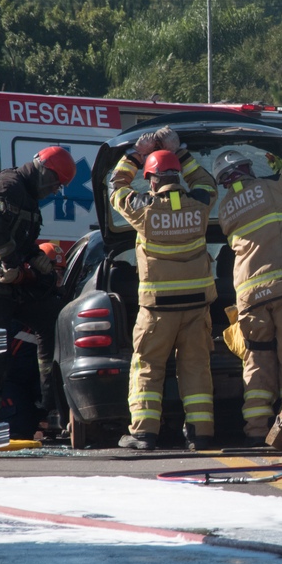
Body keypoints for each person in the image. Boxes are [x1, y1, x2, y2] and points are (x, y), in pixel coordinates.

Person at [109, 132, 218, 451]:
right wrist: (181, 152)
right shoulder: (199, 203)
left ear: (151, 181)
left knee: (147, 366)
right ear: (178, 176)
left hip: (157, 311)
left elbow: (116, 188)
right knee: (197, 369)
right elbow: (207, 181)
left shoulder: (144, 206)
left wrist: (133, 156)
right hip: (197, 308)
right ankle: (202, 435)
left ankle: (144, 435)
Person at [0, 145, 76, 434]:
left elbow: (19, 240)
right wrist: (13, 259)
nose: (53, 192)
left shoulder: (28, 197)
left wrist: (35, 258)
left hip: (9, 283)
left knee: (52, 318)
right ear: (45, 172)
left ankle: (51, 409)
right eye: (55, 185)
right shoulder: (7, 185)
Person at [216, 149, 282, 450]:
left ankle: (255, 432)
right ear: (248, 168)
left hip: (250, 297)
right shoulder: (271, 187)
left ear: (225, 182)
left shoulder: (225, 209)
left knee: (257, 363)